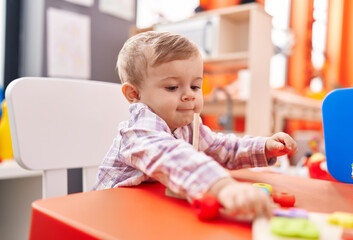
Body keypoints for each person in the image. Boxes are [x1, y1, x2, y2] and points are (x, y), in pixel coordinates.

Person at [93, 31, 297, 218]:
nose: (189, 95)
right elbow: (170, 155)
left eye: (195, 86)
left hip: (148, 213)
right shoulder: (138, 131)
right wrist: (221, 185)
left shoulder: (188, 127)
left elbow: (220, 147)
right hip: (108, 215)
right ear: (134, 94)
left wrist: (263, 147)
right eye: (172, 87)